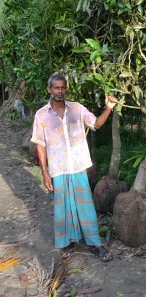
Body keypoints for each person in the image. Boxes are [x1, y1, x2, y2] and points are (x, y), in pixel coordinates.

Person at [31, 73, 118, 262]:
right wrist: (44, 172)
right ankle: (67, 243)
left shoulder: (77, 109)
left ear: (66, 89)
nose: (60, 91)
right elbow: (40, 144)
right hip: (58, 169)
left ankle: (95, 244)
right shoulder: (41, 115)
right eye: (56, 87)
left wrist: (109, 108)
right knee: (62, 208)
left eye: (62, 87)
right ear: (49, 89)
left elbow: (95, 124)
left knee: (85, 207)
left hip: (78, 167)